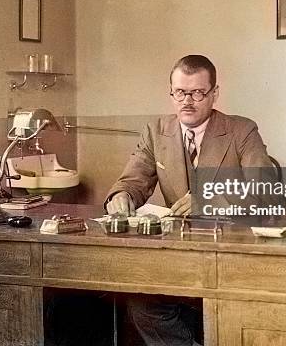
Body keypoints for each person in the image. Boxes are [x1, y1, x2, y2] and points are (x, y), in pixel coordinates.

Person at [105, 54, 275, 346]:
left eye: (197, 92)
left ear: (214, 94)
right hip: (179, 258)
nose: (187, 101)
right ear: (171, 92)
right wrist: (121, 196)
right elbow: (133, 181)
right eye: (180, 92)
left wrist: (211, 200)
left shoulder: (242, 130)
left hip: (232, 255)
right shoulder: (156, 132)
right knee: (142, 304)